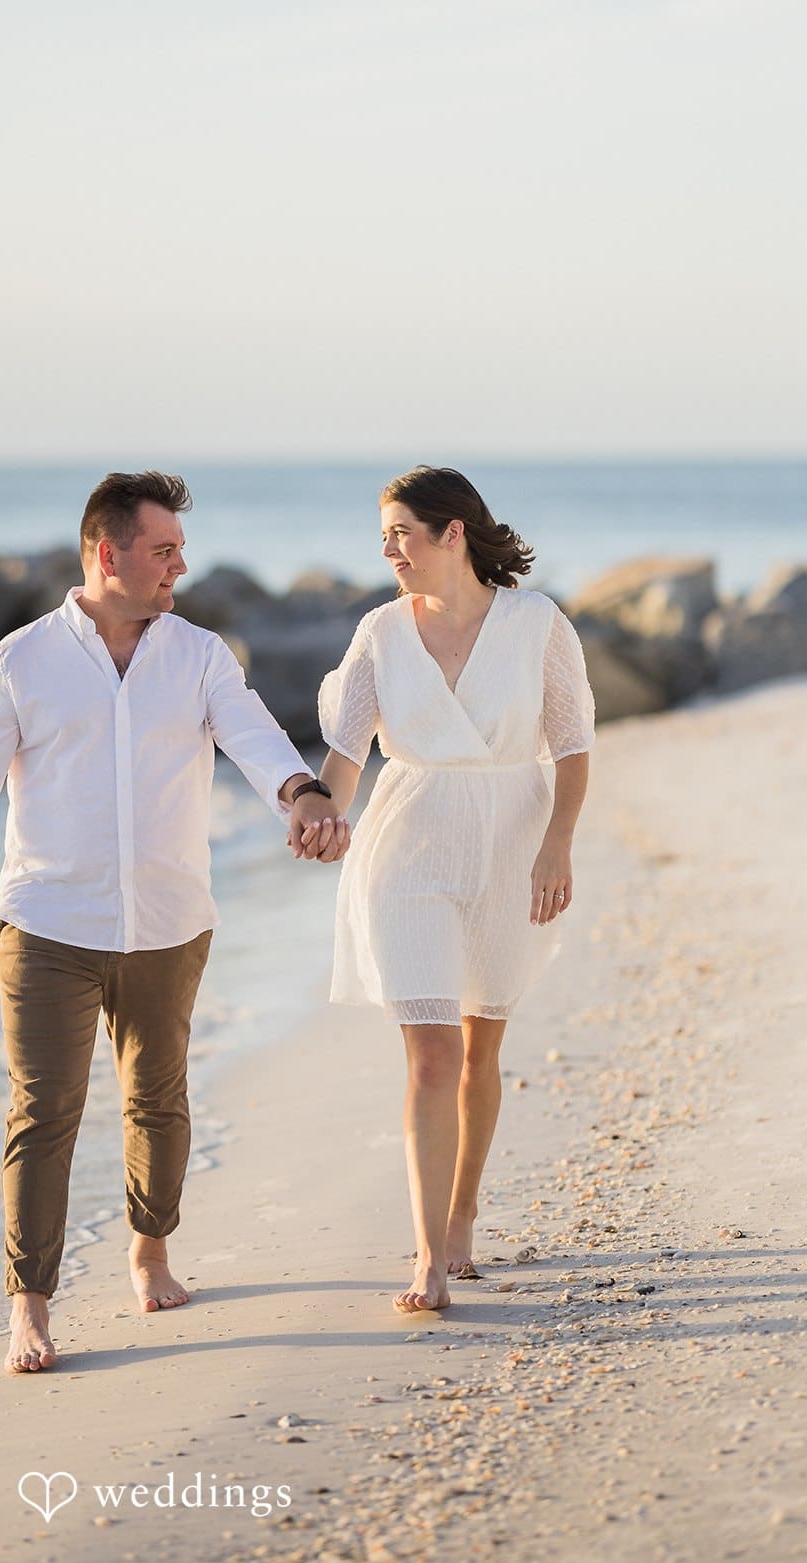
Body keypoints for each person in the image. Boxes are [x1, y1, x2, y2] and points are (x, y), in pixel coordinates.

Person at [0, 470, 349, 1372]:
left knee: (158, 1101)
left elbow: (255, 737)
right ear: (109, 554)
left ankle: (150, 1252)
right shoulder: (21, 661)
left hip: (169, 921)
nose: (181, 565)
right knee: (44, 1111)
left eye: (179, 549)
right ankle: (28, 1306)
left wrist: (302, 793)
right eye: (164, 549)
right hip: (47, 924)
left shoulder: (199, 655)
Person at [307, 465, 595, 1313]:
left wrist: (557, 846)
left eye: (403, 532)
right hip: (410, 845)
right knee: (429, 1052)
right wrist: (319, 810)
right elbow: (346, 757)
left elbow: (575, 746)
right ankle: (430, 1255)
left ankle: (464, 1209)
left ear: (453, 534)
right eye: (384, 537)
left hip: (512, 840)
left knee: (480, 1048)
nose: (391, 549)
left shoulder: (537, 624)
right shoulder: (379, 633)